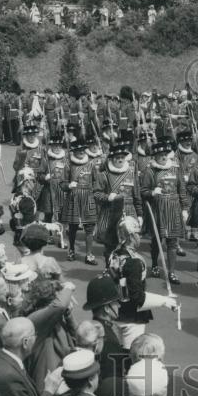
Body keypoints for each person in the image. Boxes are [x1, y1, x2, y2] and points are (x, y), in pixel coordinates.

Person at [108, 215, 178, 348]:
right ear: (132, 236)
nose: (140, 237)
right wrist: (164, 301)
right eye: (138, 234)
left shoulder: (115, 254)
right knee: (132, 358)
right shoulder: (134, 262)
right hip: (132, 318)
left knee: (119, 357)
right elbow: (137, 297)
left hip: (116, 312)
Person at [140, 137, 185, 286]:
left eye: (166, 154)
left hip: (173, 208)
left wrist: (185, 208)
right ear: (155, 157)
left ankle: (171, 271)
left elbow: (181, 189)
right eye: (160, 155)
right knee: (157, 240)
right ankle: (154, 265)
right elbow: (143, 190)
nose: (164, 157)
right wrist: (152, 192)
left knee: (173, 242)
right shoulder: (150, 171)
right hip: (157, 210)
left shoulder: (176, 168)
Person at [94, 138, 142, 261]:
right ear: (111, 159)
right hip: (110, 213)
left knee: (129, 245)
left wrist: (140, 214)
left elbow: (136, 195)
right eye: (117, 157)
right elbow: (96, 194)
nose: (120, 159)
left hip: (129, 212)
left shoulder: (131, 173)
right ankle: (109, 270)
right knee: (110, 245)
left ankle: (125, 270)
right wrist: (107, 197)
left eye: (122, 157)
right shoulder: (103, 175)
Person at [60, 137, 99, 265]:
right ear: (74, 151)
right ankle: (71, 251)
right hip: (73, 198)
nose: (81, 152)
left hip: (88, 197)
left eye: (83, 150)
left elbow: (96, 181)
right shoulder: (68, 165)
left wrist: (94, 192)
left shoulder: (91, 164)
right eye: (78, 150)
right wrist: (68, 186)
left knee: (89, 227)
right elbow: (62, 183)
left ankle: (89, 254)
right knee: (73, 227)